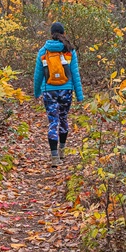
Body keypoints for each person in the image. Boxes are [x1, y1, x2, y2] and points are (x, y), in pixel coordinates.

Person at [33, 21, 84, 166]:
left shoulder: (43, 51)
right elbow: (75, 73)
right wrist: (79, 95)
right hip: (66, 90)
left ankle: (54, 156)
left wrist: (37, 92)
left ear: (51, 34)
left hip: (49, 91)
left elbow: (38, 76)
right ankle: (62, 151)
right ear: (63, 33)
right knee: (63, 119)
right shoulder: (69, 50)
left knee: (52, 122)